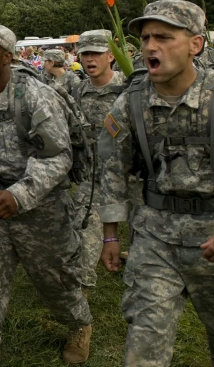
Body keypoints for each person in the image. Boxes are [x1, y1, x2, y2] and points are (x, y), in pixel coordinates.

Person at [98, 0, 214, 366]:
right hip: (154, 240)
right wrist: (110, 235)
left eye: (164, 37)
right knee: (143, 350)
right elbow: (111, 170)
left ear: (195, 44)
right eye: (146, 37)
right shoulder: (130, 104)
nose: (150, 46)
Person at [0, 24, 92, 366]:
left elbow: (58, 155)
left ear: (8, 57)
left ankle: (79, 325)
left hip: (41, 208)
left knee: (56, 281)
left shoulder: (34, 95)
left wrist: (19, 195)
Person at [71, 30, 125, 292]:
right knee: (81, 239)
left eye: (96, 53)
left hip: (131, 179)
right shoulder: (79, 90)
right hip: (93, 180)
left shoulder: (129, 89)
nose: (90, 59)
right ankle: (80, 306)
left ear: (111, 56)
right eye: (85, 53)